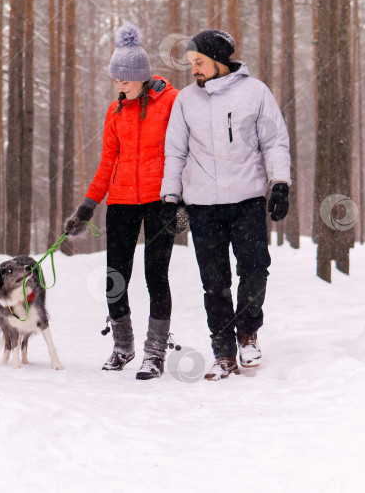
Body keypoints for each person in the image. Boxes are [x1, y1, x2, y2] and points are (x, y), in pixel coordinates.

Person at [159, 29, 292, 381]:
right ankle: (223, 352)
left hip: (247, 199)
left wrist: (279, 183)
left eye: (199, 62)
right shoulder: (186, 101)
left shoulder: (255, 93)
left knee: (254, 268)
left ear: (219, 60)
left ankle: (248, 333)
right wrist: (170, 199)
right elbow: (175, 152)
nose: (194, 70)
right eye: (191, 64)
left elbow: (274, 142)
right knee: (214, 281)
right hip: (203, 206)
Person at [64, 23, 181, 380]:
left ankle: (155, 352)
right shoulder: (115, 112)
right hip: (121, 203)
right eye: (115, 81)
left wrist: (184, 201)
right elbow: (107, 163)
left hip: (160, 200)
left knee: (155, 275)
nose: (119, 86)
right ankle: (123, 346)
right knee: (115, 277)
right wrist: (88, 206)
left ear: (142, 77)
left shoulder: (172, 103)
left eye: (125, 80)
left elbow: (184, 152)